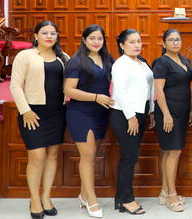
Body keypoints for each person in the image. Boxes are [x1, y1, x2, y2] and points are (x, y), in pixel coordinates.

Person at [11, 21, 69, 219]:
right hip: (32, 113)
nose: (49, 36)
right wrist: (25, 110)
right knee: (37, 157)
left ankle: (46, 197)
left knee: (53, 155)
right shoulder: (25, 55)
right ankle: (34, 199)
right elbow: (15, 86)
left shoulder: (63, 58)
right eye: (45, 33)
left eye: (53, 33)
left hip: (57, 113)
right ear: (35, 35)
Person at [64, 24, 115, 218]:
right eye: (92, 38)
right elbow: (68, 90)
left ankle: (83, 194)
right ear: (84, 40)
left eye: (99, 38)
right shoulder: (76, 61)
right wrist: (95, 97)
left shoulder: (107, 59)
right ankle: (92, 200)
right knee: (87, 156)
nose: (96, 42)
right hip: (81, 112)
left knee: (93, 155)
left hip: (102, 112)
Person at [110, 29, 154, 215]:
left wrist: (150, 111)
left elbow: (148, 88)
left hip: (141, 112)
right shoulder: (120, 64)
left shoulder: (141, 62)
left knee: (130, 156)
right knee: (129, 157)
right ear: (122, 45)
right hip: (125, 115)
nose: (137, 45)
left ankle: (120, 199)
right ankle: (127, 199)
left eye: (138, 41)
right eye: (132, 42)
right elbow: (119, 91)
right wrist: (131, 116)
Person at [153, 29, 192, 212]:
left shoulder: (185, 60)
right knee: (173, 151)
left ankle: (164, 191)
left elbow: (187, 86)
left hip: (184, 111)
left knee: (169, 151)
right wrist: (167, 114)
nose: (175, 43)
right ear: (164, 44)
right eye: (171, 40)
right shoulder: (161, 62)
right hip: (168, 113)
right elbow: (159, 91)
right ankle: (171, 195)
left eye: (178, 39)